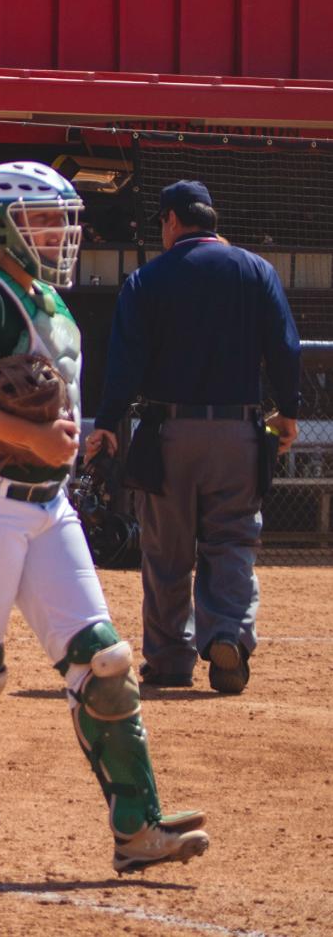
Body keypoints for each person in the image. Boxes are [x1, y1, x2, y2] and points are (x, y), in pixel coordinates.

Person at [0, 160, 209, 876]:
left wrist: (64, 442)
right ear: (0, 226)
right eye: (43, 219)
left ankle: (137, 828)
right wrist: (30, 438)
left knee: (103, 661)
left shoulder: (44, 298)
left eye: (60, 220)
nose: (59, 233)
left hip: (45, 503)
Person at [86, 180, 300, 696]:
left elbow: (123, 367)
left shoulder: (147, 280)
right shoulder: (257, 270)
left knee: (166, 551)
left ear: (172, 221)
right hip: (239, 431)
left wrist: (108, 427)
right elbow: (286, 349)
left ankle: (170, 661)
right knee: (232, 542)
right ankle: (227, 633)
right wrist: (288, 414)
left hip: (168, 432)